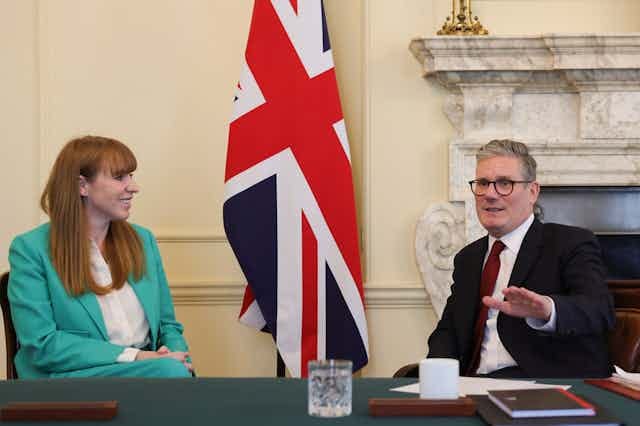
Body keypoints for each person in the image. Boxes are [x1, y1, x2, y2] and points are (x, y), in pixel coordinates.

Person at [8, 135, 193, 378]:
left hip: (150, 370)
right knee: (170, 374)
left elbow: (168, 326)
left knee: (175, 372)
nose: (133, 186)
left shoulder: (143, 240)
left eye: (131, 176)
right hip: (69, 379)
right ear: (82, 186)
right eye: (119, 177)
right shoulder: (30, 249)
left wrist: (179, 356)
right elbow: (42, 345)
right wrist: (135, 357)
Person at [427, 139, 615, 378]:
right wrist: (434, 381)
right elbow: (449, 333)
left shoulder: (569, 243)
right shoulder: (468, 258)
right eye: (483, 183)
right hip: (470, 385)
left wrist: (548, 309)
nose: (490, 194)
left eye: (505, 183)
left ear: (532, 192)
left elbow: (600, 311)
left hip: (538, 386)